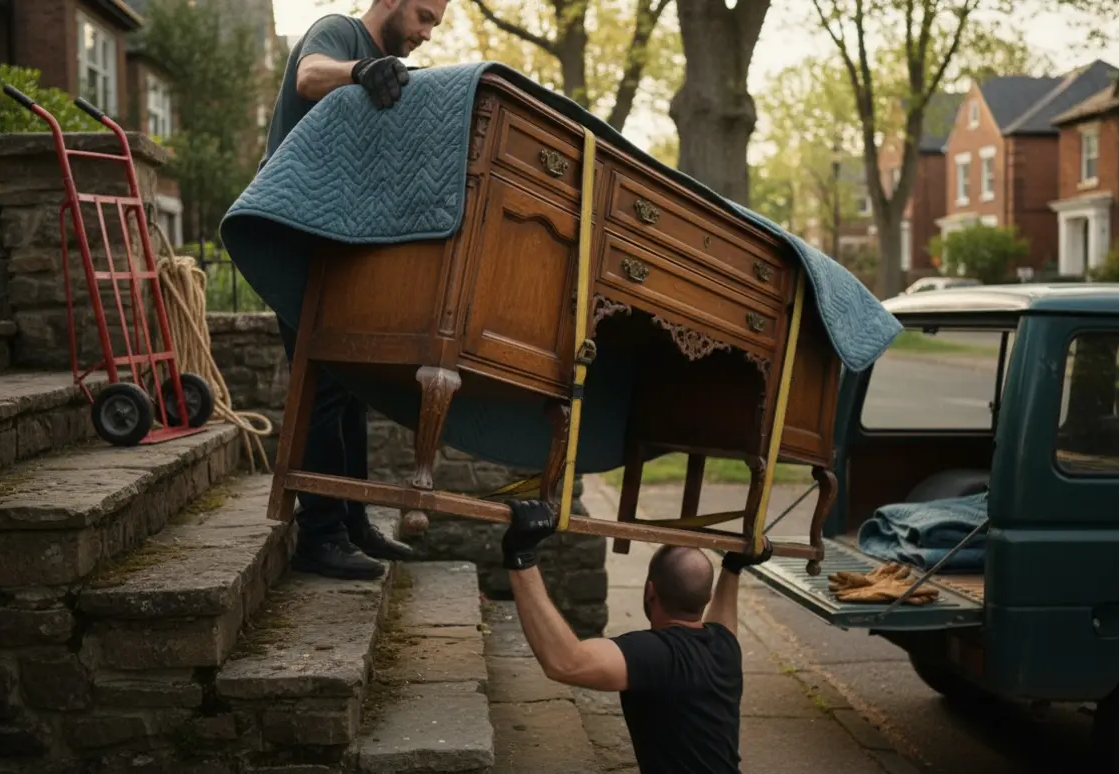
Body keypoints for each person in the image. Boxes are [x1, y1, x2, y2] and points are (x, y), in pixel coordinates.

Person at [239, 0, 449, 581]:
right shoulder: (340, 32)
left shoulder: (393, 69)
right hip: (294, 236)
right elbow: (310, 76)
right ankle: (320, 536)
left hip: (338, 244)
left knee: (349, 388)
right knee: (322, 389)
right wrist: (358, 70)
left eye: (435, 24)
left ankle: (353, 522)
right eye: (424, 17)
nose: (427, 34)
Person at [501, 499, 774, 773]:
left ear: (650, 591)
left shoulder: (653, 655)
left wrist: (521, 556)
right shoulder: (724, 647)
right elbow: (723, 619)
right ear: (707, 598)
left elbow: (565, 662)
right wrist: (732, 568)